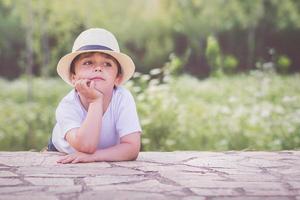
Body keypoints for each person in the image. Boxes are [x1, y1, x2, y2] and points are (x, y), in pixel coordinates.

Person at [48, 28, 142, 164]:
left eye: (107, 64)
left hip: (101, 151)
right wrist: (95, 100)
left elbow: (132, 147)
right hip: (64, 149)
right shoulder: (68, 105)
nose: (98, 68)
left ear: (117, 78)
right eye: (88, 62)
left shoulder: (123, 98)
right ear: (74, 78)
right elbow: (86, 146)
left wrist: (95, 156)